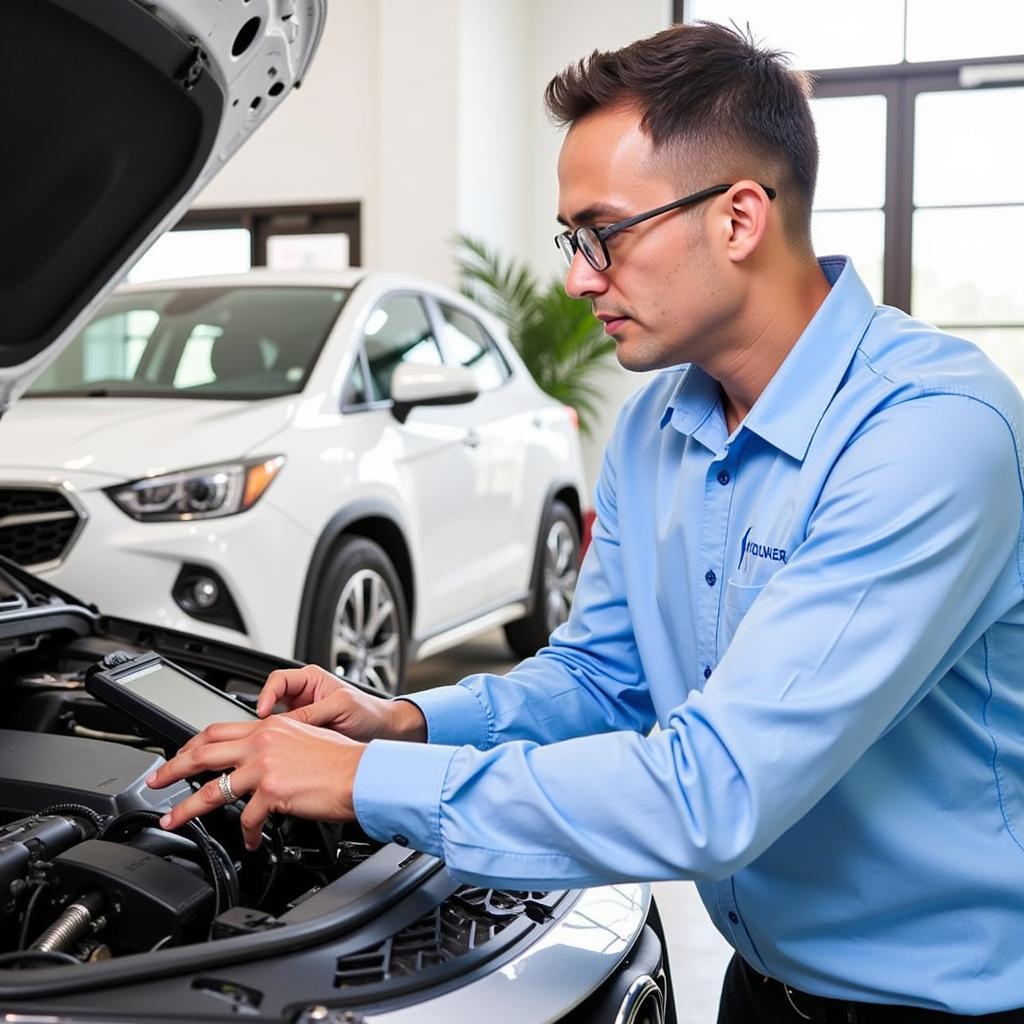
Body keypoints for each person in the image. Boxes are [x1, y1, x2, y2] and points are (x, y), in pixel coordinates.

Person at [148, 21, 1024, 1022]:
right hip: (759, 985)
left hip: (941, 1005)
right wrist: (410, 718)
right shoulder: (659, 420)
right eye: (572, 240)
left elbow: (714, 792)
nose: (575, 277)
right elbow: (603, 679)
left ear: (738, 219)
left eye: (601, 233)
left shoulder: (926, 433)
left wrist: (367, 778)